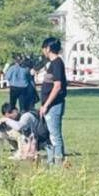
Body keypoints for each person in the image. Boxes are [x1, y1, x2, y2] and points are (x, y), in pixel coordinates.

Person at [39, 36, 67, 166]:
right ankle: (51, 162)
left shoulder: (57, 63)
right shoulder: (51, 64)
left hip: (54, 106)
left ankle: (58, 163)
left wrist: (46, 105)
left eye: (44, 48)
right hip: (47, 105)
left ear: (48, 48)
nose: (43, 51)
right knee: (50, 135)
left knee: (55, 136)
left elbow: (57, 86)